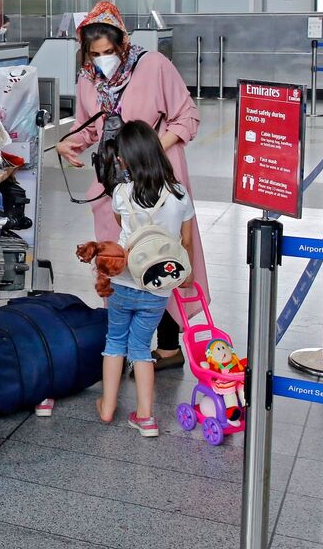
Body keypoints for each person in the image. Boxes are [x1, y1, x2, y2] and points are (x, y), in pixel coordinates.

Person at [56, 1, 206, 372]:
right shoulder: (87, 78)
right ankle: (118, 348)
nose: (103, 59)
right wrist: (68, 144)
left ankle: (169, 347)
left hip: (155, 175)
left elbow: (187, 117)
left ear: (123, 44)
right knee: (116, 257)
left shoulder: (153, 65)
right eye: (95, 54)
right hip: (111, 180)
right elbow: (90, 126)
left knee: (163, 253)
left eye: (110, 52)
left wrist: (149, 150)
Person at [95, 120, 196, 437]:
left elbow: (121, 226)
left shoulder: (122, 193)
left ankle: (108, 407)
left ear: (125, 159)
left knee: (115, 342)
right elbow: (187, 241)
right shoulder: (180, 195)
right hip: (157, 286)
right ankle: (146, 417)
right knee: (141, 347)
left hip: (124, 281)